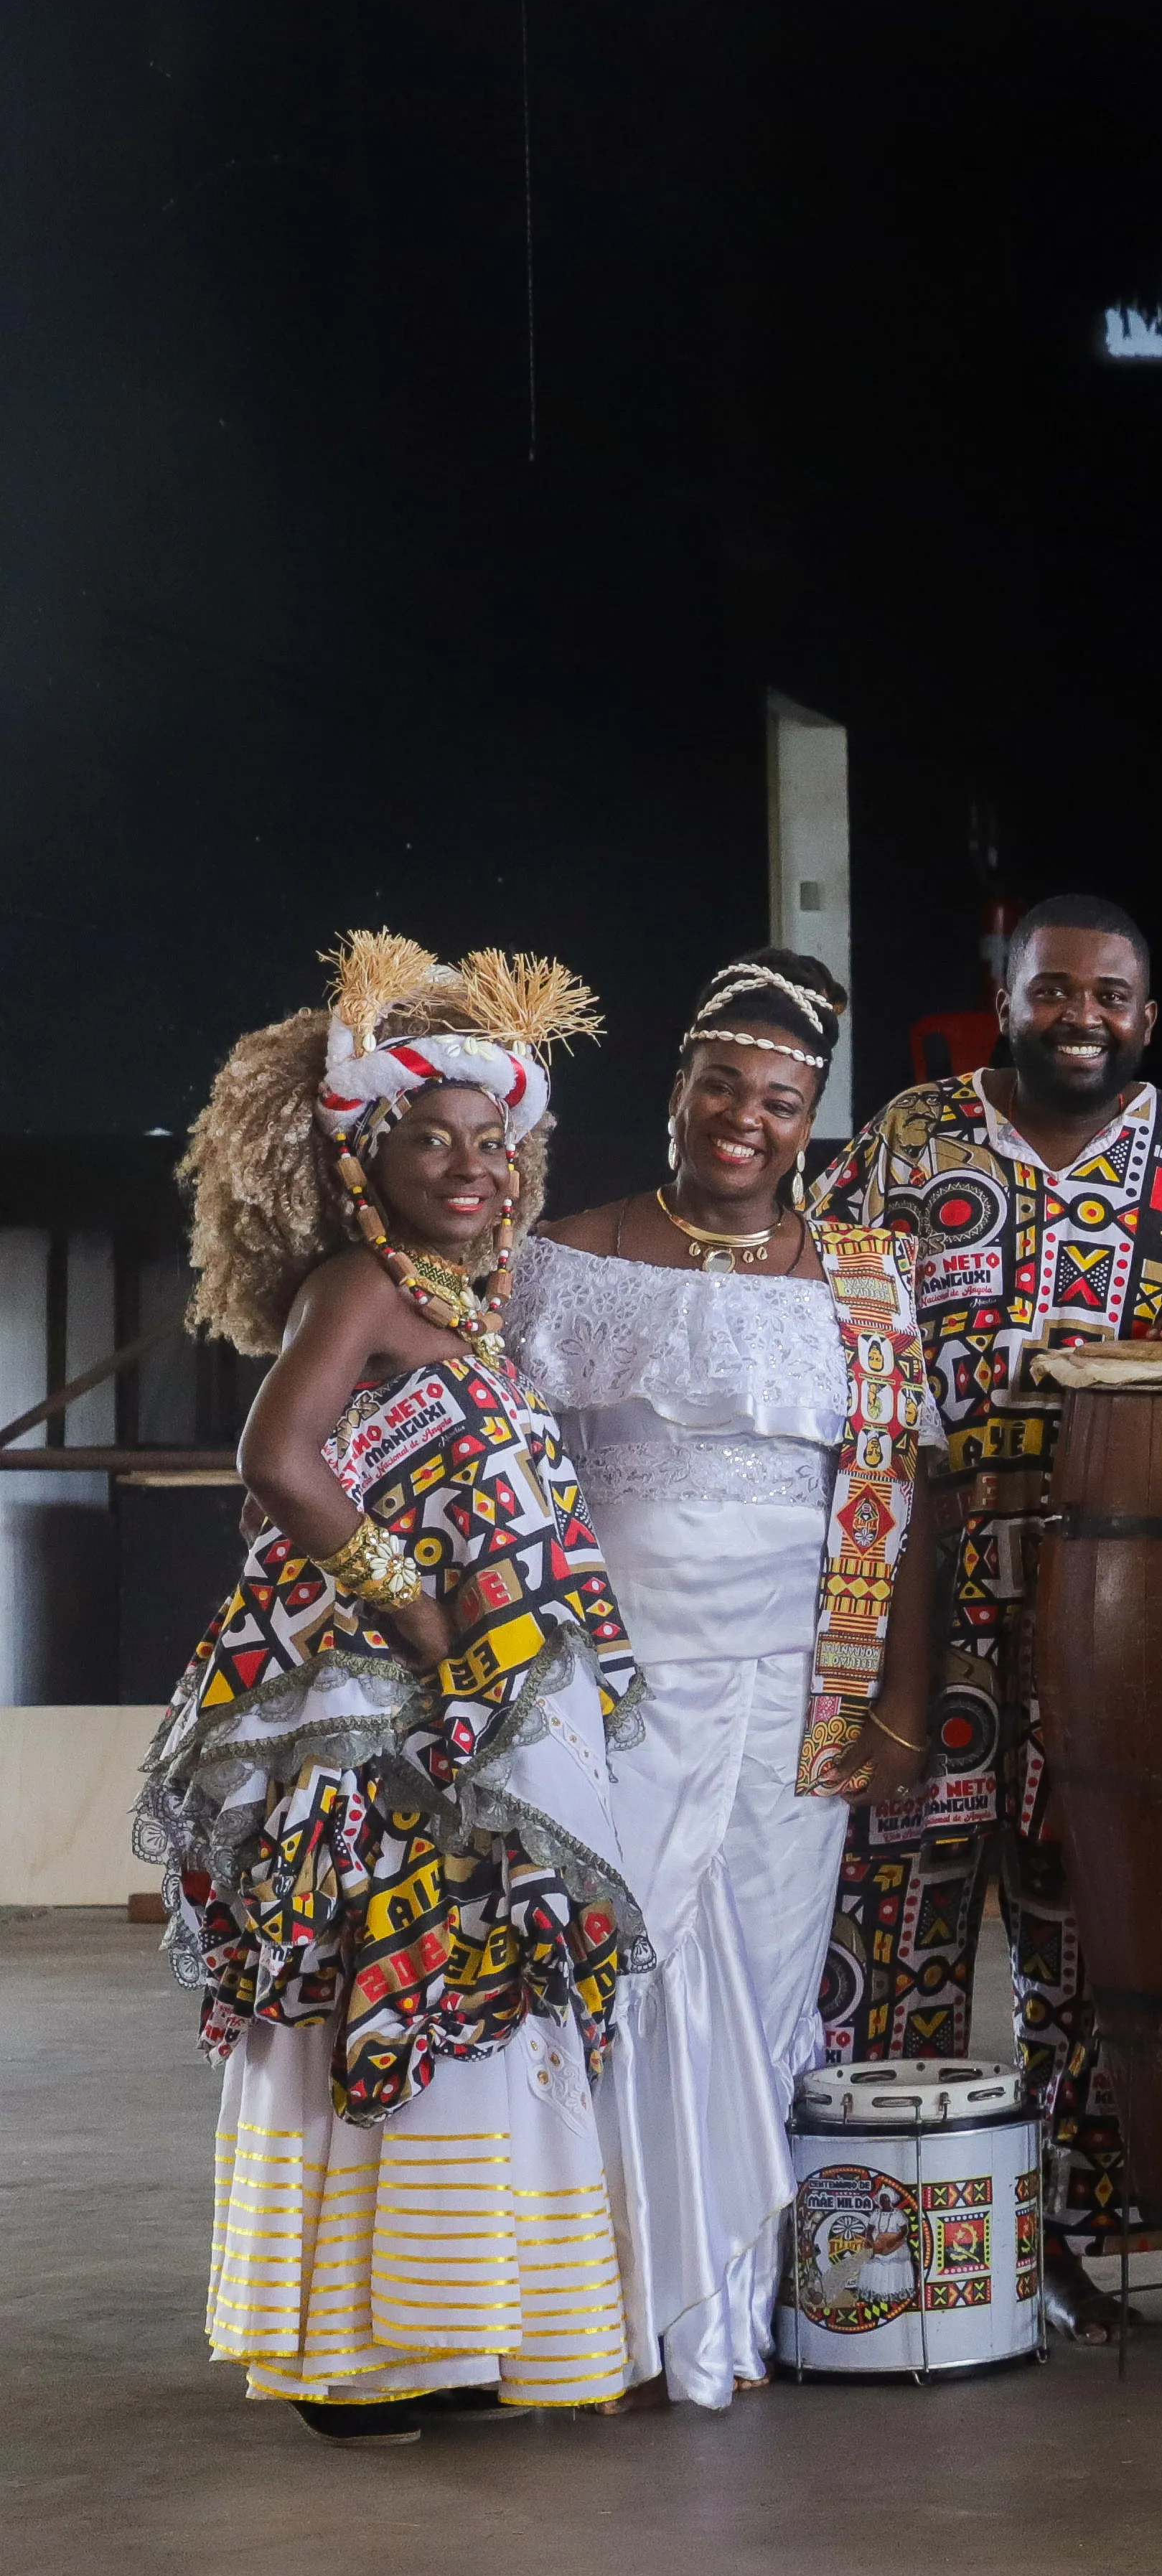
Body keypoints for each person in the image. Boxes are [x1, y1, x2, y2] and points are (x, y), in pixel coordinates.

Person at [136, 934, 646, 2437]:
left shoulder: (463, 1299)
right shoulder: (357, 1282)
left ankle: (456, 2323)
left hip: (475, 1715)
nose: (477, 1167)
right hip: (382, 1719)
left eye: (497, 1143)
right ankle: (353, 2355)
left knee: (473, 1986)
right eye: (438, 1140)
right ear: (367, 1155)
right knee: (380, 1977)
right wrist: (418, 1616)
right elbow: (276, 1462)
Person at [812, 893, 1162, 2339]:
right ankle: (872, 2251)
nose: (1083, 1012)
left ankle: (1067, 2246)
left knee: (1092, 1932)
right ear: (1003, 996)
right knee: (897, 1917)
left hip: (1128, 1607)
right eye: (1054, 988)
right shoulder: (904, 1141)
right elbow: (814, 1331)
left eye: (1113, 993)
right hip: (921, 1596)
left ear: (1149, 1011)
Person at [505, 950, 942, 2407]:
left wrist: (896, 1701)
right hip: (604, 1688)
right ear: (678, 1090)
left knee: (756, 1991)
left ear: (811, 1115)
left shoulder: (863, 1279)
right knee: (610, 1976)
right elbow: (507, 1485)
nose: (745, 1117)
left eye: (781, 1096)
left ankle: (722, 2323)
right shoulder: (561, 1258)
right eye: (722, 1085)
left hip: (791, 1694)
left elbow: (908, 1496)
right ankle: (592, 2316)